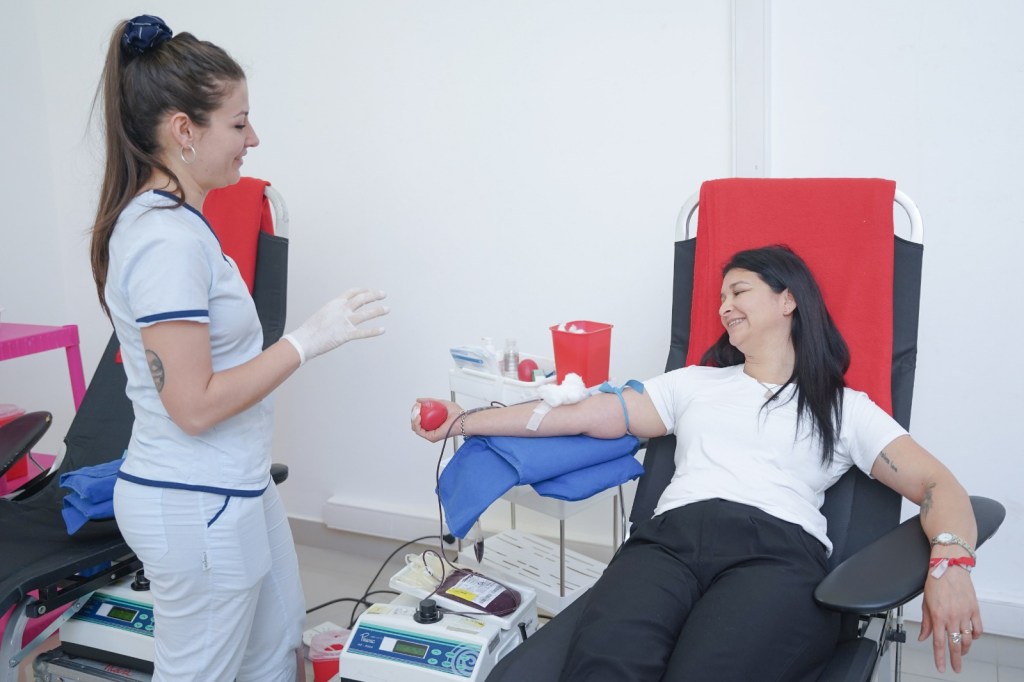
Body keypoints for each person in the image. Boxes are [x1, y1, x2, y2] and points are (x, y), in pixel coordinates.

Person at [412, 245, 980, 681]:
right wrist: (464, 420)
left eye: (740, 291)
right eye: (720, 297)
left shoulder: (844, 408)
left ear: (789, 300)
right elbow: (582, 415)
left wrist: (950, 561)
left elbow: (935, 483)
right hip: (667, 545)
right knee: (604, 666)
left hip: (776, 556)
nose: (723, 306)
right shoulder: (694, 385)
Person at [89, 15, 388, 681]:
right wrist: (309, 340)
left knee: (279, 654)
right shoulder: (164, 242)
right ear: (183, 131)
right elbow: (192, 407)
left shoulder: (180, 227)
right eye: (238, 123)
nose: (253, 139)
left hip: (235, 487)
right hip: (194, 501)